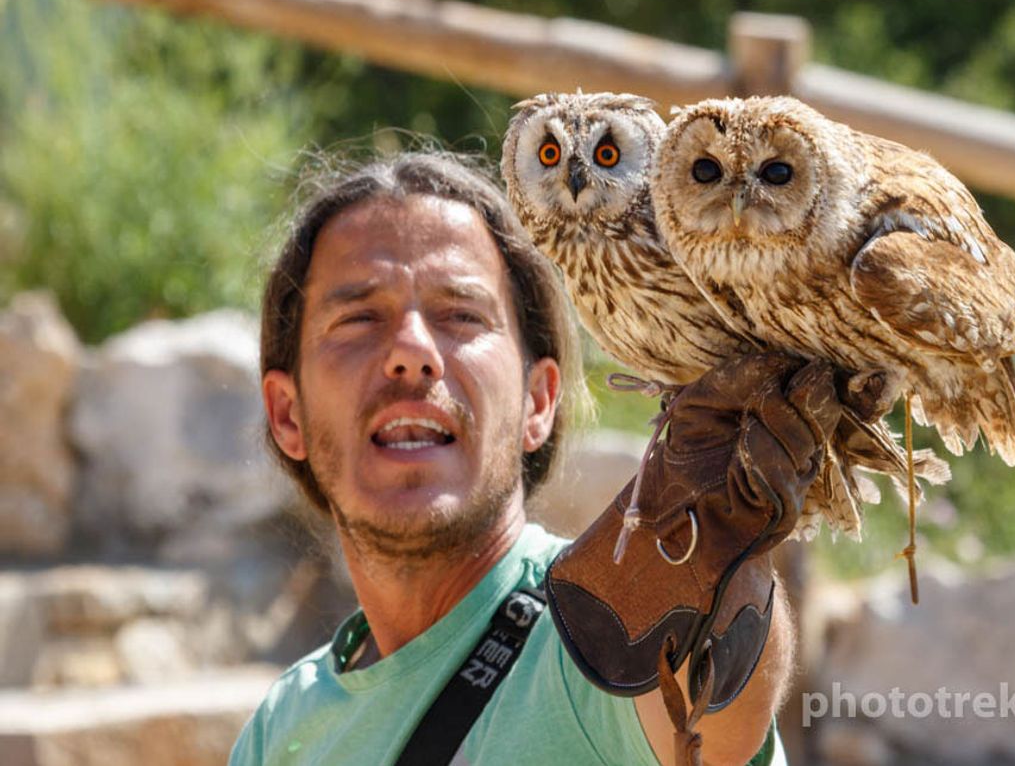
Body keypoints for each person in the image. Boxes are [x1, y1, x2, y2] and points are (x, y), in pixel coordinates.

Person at [230, 150, 807, 765]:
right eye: (359, 317)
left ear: (539, 400)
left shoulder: (593, 644)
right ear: (288, 414)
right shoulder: (281, 729)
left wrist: (725, 529)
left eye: (460, 314)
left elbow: (711, 716)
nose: (412, 351)